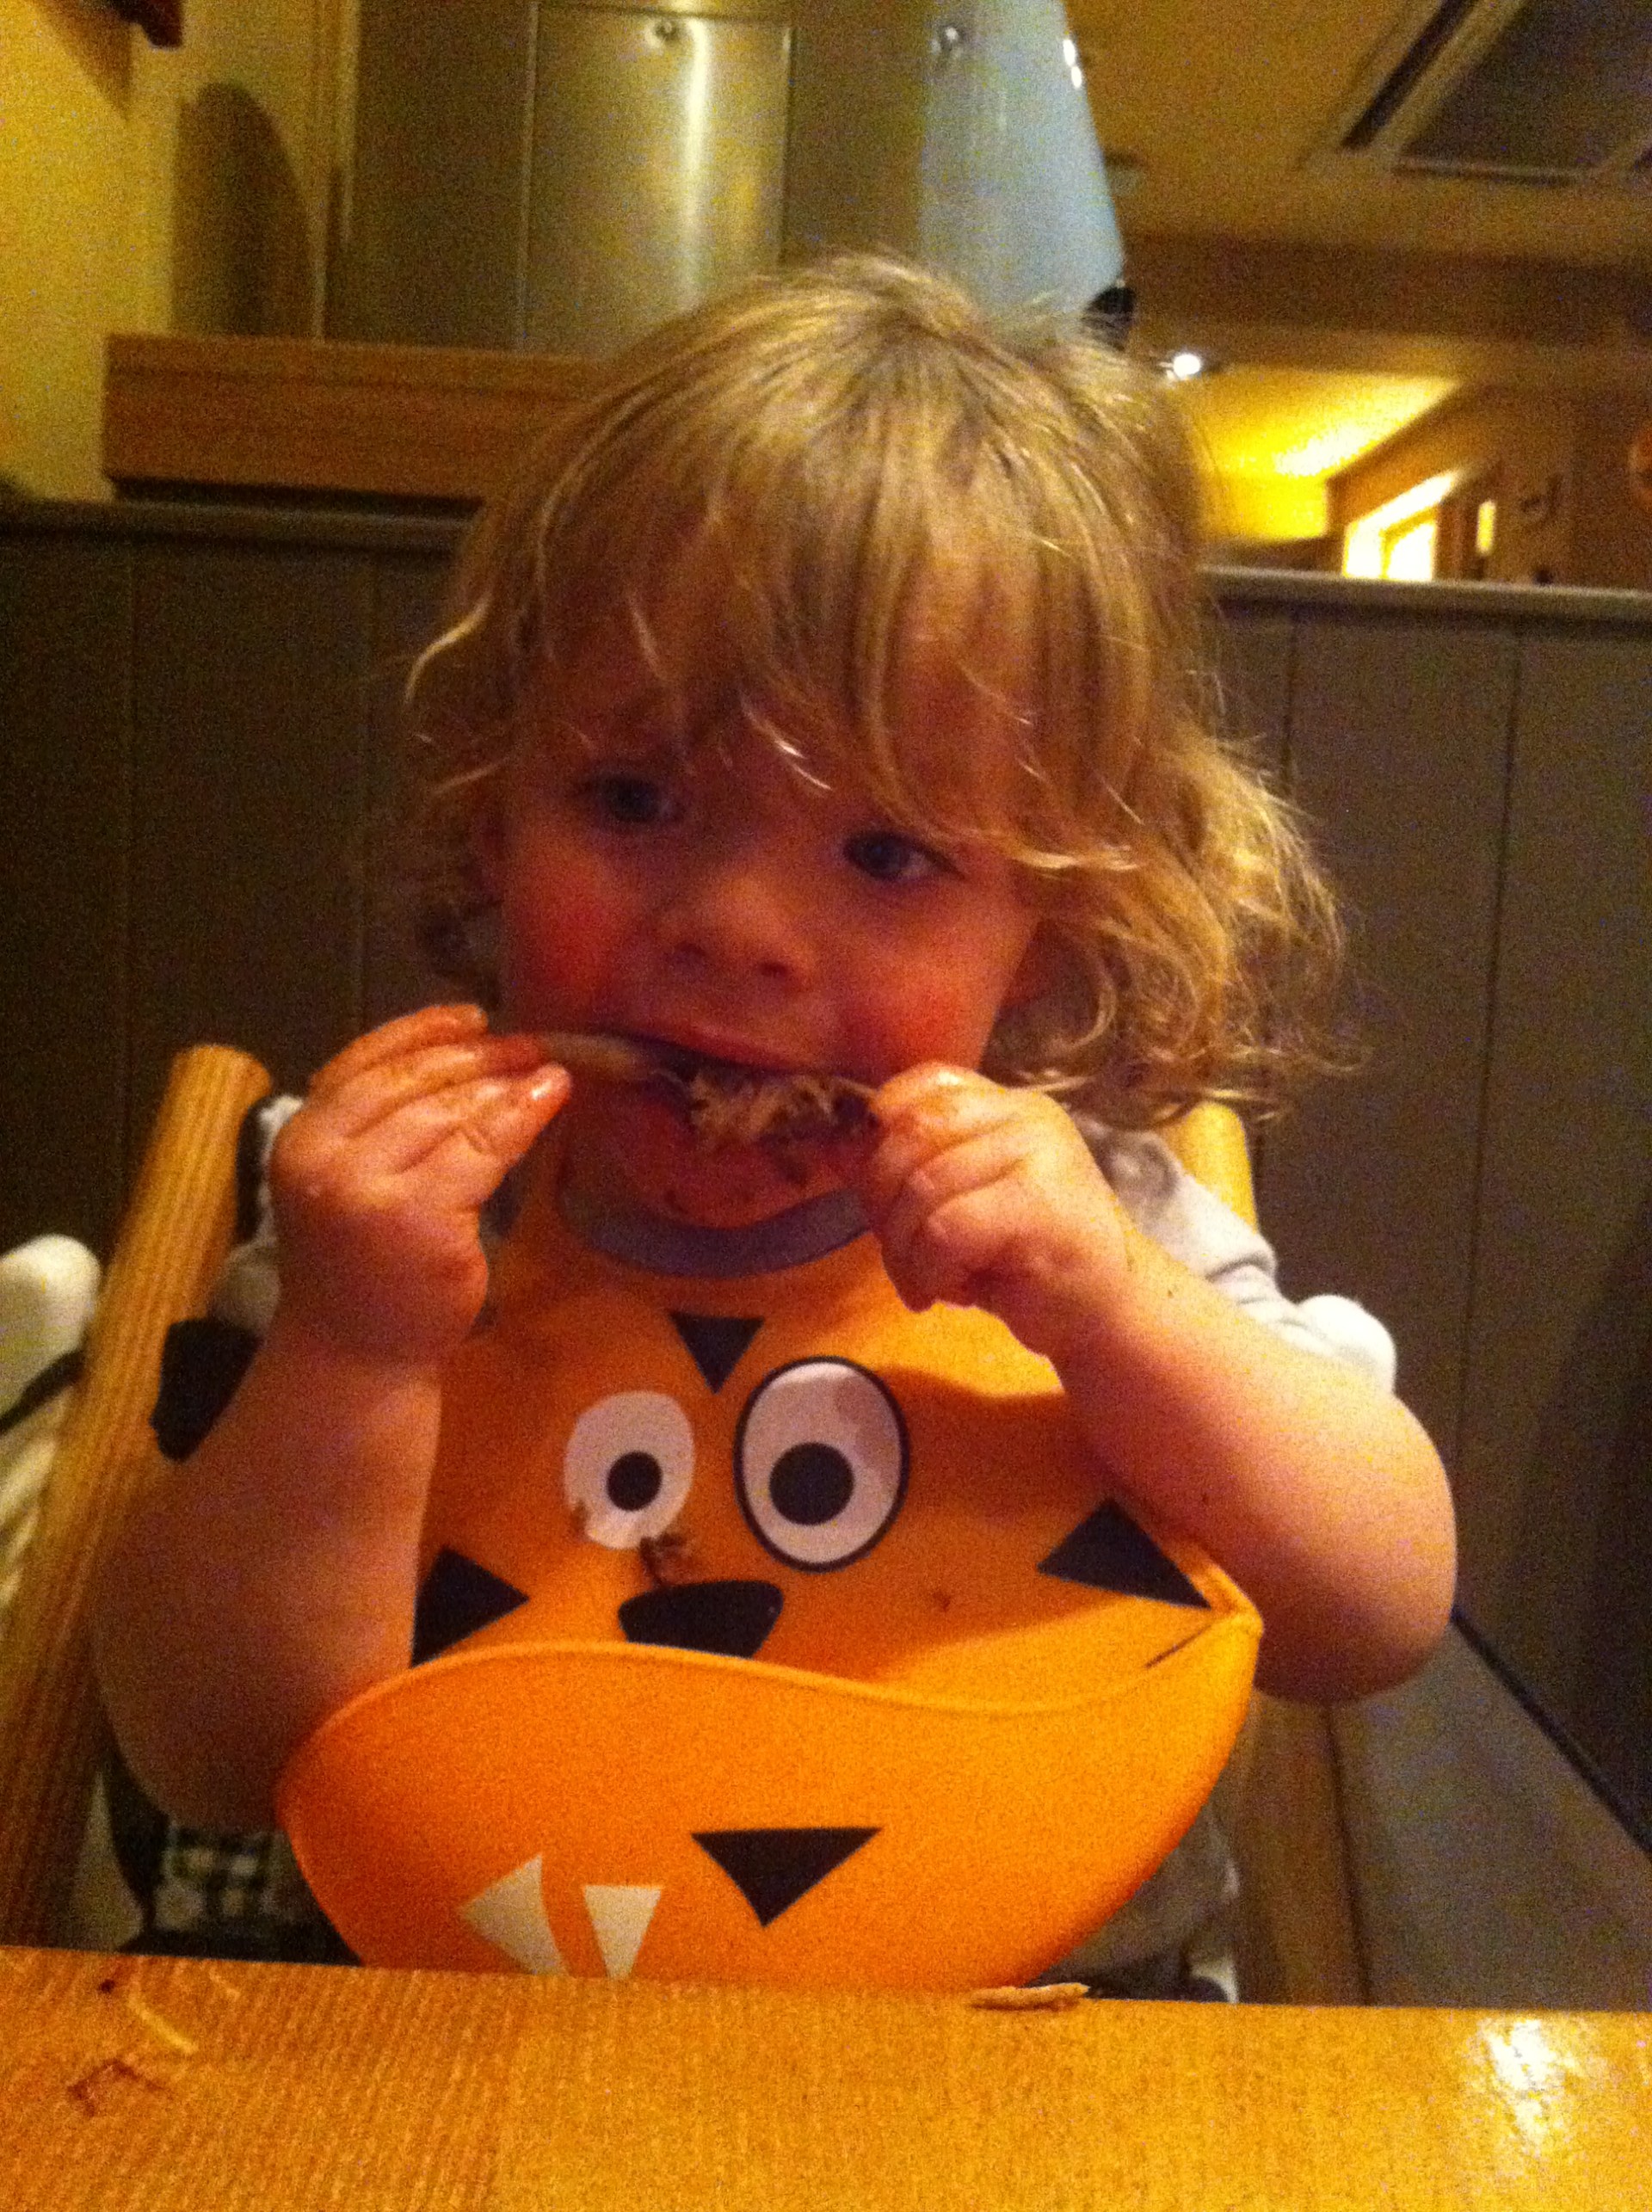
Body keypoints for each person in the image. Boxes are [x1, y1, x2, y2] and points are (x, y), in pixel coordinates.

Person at [91, 253, 1454, 1983]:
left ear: (1051, 924)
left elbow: (1377, 1611)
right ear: (496, 813)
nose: (737, 926)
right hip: (460, 2044)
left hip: (1047, 2052)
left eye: (888, 852)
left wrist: (1117, 1313)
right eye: (633, 797)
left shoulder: (1102, 1236)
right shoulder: (394, 1236)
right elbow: (207, 1754)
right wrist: (353, 1356)